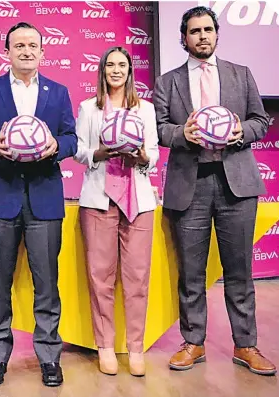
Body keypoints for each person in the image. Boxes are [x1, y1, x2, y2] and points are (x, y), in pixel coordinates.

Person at [153, 6, 276, 376]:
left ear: (217, 34)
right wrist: (181, 134)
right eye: (194, 31)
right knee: (190, 272)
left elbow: (260, 120)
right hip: (189, 184)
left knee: (240, 271)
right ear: (183, 38)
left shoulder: (241, 75)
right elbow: (159, 128)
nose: (202, 36)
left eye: (208, 29)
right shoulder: (167, 81)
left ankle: (246, 345)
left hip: (235, 184)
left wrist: (242, 133)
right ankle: (193, 343)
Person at [0, 22, 77, 387]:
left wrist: (56, 148)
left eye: (33, 45)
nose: (27, 51)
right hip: (0, 198)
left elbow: (71, 138)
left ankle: (49, 357)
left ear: (43, 52)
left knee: (47, 284)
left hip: (45, 200)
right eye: (19, 45)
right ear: (7, 52)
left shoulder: (58, 93)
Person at [74, 46, 159, 377]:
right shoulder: (88, 108)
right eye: (110, 64)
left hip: (138, 202)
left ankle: (135, 348)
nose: (116, 70)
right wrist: (101, 152)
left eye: (122, 65)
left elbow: (152, 153)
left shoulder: (146, 110)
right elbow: (80, 151)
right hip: (98, 199)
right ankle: (105, 346)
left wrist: (140, 156)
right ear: (102, 70)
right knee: (100, 277)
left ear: (129, 70)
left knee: (137, 278)